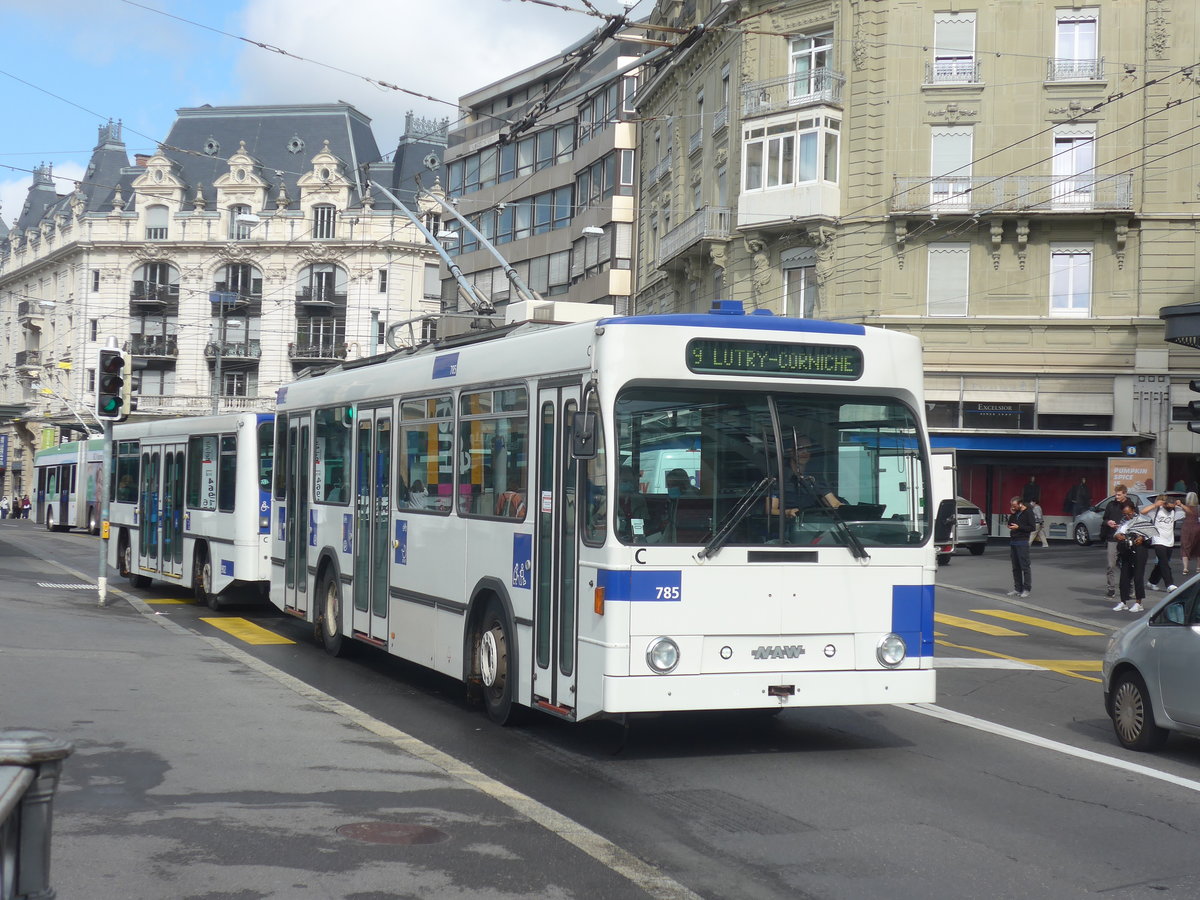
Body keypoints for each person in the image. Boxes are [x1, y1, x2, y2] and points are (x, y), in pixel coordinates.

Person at [770, 436, 842, 522]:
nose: (805, 452)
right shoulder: (779, 478)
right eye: (801, 449)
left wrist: (850, 510)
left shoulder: (815, 478)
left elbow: (834, 503)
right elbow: (770, 510)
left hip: (812, 525)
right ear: (790, 451)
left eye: (809, 449)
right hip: (786, 526)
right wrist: (788, 512)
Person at [1142, 493, 1190, 592]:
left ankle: (1152, 582)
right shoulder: (1156, 510)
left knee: (1162, 563)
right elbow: (1143, 511)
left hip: (1169, 541)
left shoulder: (1174, 511)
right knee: (1164, 562)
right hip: (1158, 540)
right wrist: (1155, 505)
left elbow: (1189, 513)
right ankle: (1170, 584)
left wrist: (1180, 505)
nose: (1169, 507)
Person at [1113, 500, 1155, 612]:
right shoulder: (1123, 521)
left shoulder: (1141, 520)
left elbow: (1149, 536)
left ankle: (1139, 603)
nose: (1127, 516)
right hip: (1126, 551)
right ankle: (1123, 602)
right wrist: (1118, 536)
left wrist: (1142, 538)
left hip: (1140, 551)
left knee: (1138, 577)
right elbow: (1116, 533)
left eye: (1129, 513)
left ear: (1133, 510)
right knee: (1124, 577)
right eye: (1125, 514)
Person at [1100, 484, 1130, 602]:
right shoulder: (1111, 505)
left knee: (1127, 565)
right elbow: (1104, 519)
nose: (1116, 497)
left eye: (1119, 494)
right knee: (1111, 565)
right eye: (1116, 494)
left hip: (1125, 539)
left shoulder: (1130, 505)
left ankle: (1129, 589)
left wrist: (1123, 526)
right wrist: (1108, 522)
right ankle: (1111, 589)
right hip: (1112, 538)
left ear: (1125, 494)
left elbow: (1135, 520)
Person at [1005, 496, 1035, 598]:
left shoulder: (1028, 512)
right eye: (1012, 506)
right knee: (1015, 567)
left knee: (1025, 566)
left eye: (1014, 505)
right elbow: (1010, 524)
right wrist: (1012, 514)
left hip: (1022, 542)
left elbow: (1032, 527)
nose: (1013, 507)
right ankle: (1017, 588)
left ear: (1020, 504)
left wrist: (1019, 527)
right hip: (1013, 541)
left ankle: (1026, 589)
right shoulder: (1016, 512)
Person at [1181, 491, 1200, 576]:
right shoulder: (1198, 508)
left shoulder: (1184, 508)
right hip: (1197, 527)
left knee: (1185, 546)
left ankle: (1185, 568)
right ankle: (1198, 567)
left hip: (1186, 528)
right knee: (1198, 547)